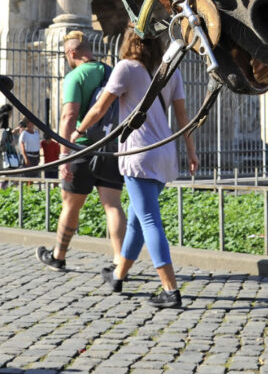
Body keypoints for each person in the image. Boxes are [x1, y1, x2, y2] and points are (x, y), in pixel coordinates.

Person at [74, 28, 198, 308]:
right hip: (164, 153)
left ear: (129, 41)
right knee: (137, 219)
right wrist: (191, 151)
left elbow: (100, 108)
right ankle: (118, 275)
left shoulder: (126, 68)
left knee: (149, 220)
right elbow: (182, 117)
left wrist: (78, 130)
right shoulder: (171, 72)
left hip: (139, 154)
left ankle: (170, 289)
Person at [36, 31, 126, 272]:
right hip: (110, 148)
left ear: (71, 53)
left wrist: (65, 156)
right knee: (113, 205)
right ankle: (119, 262)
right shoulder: (111, 72)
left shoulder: (76, 76)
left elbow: (69, 116)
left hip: (82, 148)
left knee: (71, 205)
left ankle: (59, 255)